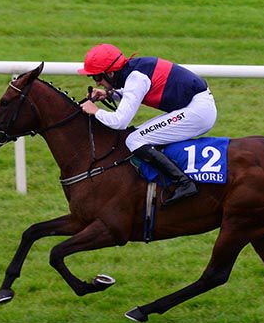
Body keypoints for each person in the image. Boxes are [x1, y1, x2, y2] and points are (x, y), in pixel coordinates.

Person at [78, 43, 217, 205]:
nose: (97, 83)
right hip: (194, 105)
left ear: (110, 73)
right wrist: (109, 94)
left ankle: (184, 183)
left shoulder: (136, 78)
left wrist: (95, 111)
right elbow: (134, 92)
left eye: (97, 77)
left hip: (198, 112)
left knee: (134, 140)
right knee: (137, 135)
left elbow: (119, 122)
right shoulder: (133, 71)